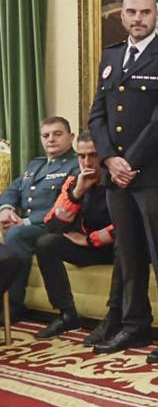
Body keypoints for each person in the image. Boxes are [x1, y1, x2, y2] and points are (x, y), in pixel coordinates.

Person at [88, 0, 158, 360]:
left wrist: (128, 161)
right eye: (131, 12)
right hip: (116, 176)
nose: (137, 18)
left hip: (151, 176)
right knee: (128, 254)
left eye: (145, 12)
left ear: (155, 16)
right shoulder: (112, 55)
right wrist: (109, 159)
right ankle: (134, 323)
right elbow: (97, 114)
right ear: (121, 15)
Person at [32, 131, 114, 338]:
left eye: (93, 155)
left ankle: (114, 319)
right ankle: (67, 315)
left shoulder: (116, 181)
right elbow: (52, 222)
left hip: (115, 247)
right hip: (90, 247)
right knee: (46, 243)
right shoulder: (73, 182)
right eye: (82, 156)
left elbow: (126, 227)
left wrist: (89, 240)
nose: (87, 161)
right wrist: (77, 194)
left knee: (127, 246)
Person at [0, 117, 80, 319]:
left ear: (71, 137)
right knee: (16, 231)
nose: (51, 139)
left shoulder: (75, 166)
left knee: (17, 234)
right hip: (25, 226)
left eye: (57, 134)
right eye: (46, 135)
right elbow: (13, 189)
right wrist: (6, 209)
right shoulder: (36, 165)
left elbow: (63, 206)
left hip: (53, 228)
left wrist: (25, 221)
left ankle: (13, 306)